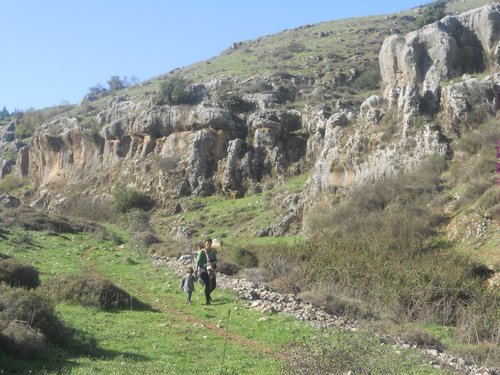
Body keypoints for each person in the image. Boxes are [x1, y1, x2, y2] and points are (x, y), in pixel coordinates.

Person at [196, 238, 217, 305]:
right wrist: (196, 269)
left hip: (211, 269)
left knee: (213, 285)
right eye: (207, 243)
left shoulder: (213, 252)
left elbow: (216, 260)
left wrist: (212, 263)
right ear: (205, 244)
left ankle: (207, 293)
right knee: (208, 284)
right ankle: (207, 301)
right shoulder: (202, 252)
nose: (209, 245)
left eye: (210, 244)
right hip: (203, 270)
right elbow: (198, 261)